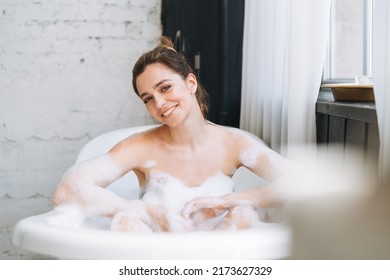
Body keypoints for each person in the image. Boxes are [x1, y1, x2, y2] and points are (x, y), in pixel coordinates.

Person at [51, 36, 293, 232]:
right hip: (157, 258)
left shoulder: (234, 143)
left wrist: (229, 201)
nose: (159, 103)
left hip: (216, 258)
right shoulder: (140, 147)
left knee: (242, 215)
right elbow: (66, 190)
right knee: (127, 221)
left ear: (191, 83)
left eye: (165, 88)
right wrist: (145, 211)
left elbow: (302, 182)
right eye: (148, 98)